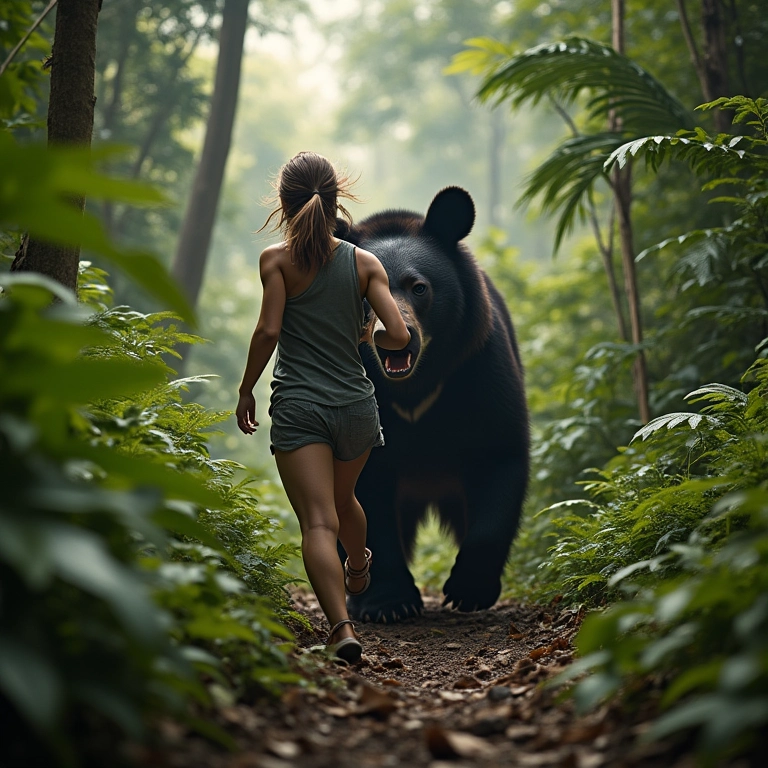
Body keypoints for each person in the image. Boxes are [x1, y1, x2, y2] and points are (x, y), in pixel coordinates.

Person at [235, 151, 410, 663]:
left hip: (299, 407)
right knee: (344, 501)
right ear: (337, 199)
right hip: (356, 407)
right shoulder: (364, 262)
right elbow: (398, 334)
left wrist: (246, 388)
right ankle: (358, 564)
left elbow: (268, 330)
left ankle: (341, 628)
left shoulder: (275, 261)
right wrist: (367, 331)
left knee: (317, 521)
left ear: (284, 205)